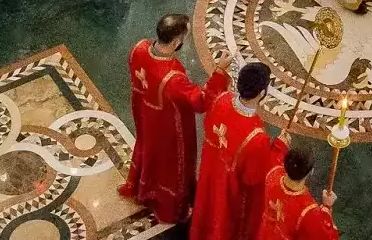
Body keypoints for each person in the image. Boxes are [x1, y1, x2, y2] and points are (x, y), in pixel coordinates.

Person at [119, 14, 230, 221]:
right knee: (171, 167)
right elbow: (201, 101)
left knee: (150, 154)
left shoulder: (139, 48)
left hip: (146, 119)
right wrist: (220, 72)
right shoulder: (173, 78)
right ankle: (170, 207)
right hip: (170, 131)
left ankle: (144, 189)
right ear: (176, 42)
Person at [192, 62, 289, 240]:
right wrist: (279, 148)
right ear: (262, 93)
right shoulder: (257, 136)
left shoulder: (221, 99)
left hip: (208, 176)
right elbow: (256, 177)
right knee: (222, 225)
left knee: (206, 212)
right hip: (229, 194)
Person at [256, 147, 339, 240]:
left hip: (266, 234)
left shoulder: (273, 173)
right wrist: (327, 206)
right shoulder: (307, 210)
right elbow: (324, 236)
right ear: (311, 172)